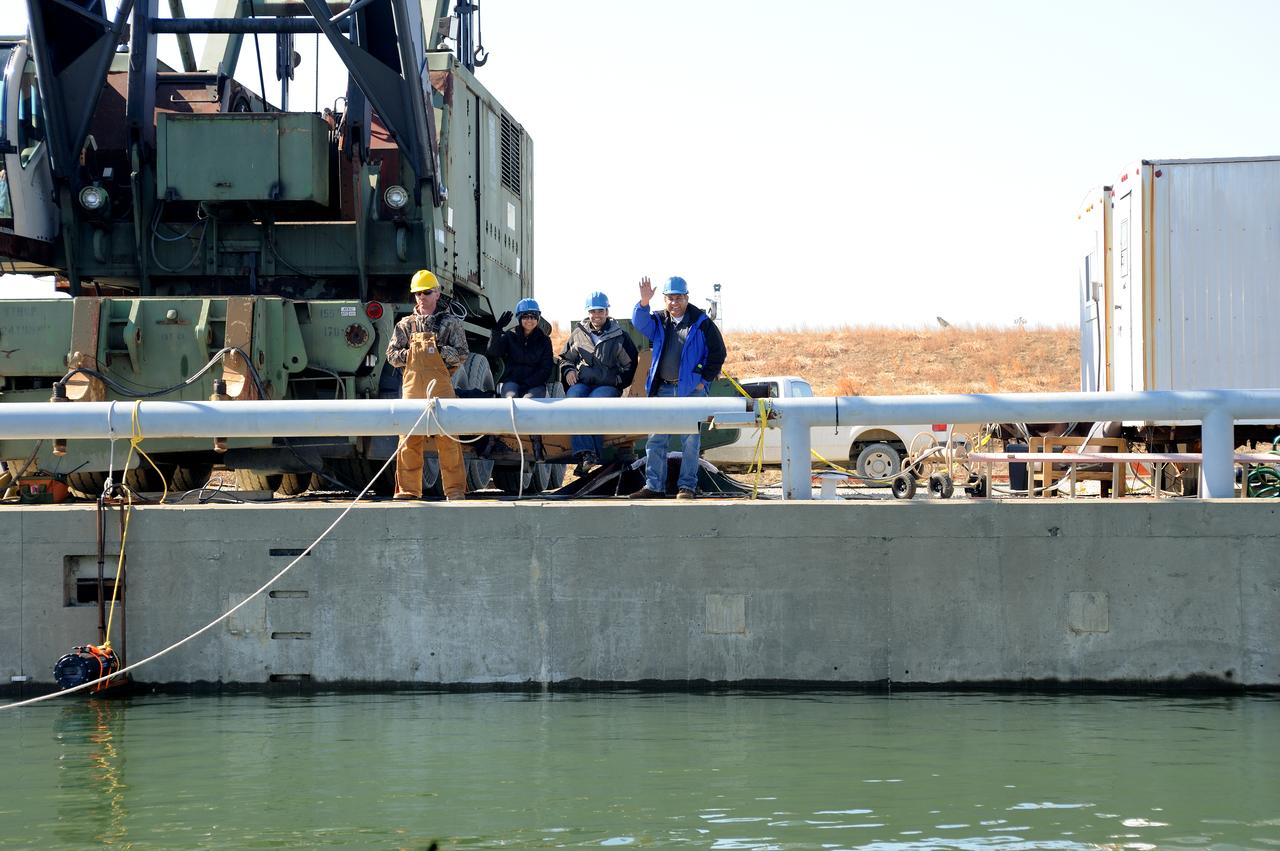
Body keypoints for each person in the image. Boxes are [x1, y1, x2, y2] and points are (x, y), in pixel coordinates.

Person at [629, 275, 726, 499]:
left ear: (686, 298)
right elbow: (639, 322)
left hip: (692, 391)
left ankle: (687, 487)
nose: (674, 302)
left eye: (679, 298)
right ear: (664, 300)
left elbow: (718, 353)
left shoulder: (702, 323)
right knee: (656, 440)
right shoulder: (659, 322)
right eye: (670, 298)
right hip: (662, 389)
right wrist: (644, 302)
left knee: (690, 441)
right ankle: (654, 487)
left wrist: (703, 379)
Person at [385, 269, 469, 501]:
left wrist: (440, 352)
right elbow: (391, 355)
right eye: (418, 293)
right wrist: (412, 354)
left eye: (426, 292)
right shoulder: (404, 325)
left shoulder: (449, 323)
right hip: (412, 389)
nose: (421, 297)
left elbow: (462, 354)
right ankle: (408, 491)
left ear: (437, 295)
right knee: (409, 441)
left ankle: (455, 490)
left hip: (441, 387)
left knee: (449, 441)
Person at [559, 291, 638, 473]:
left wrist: (618, 381)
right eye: (593, 311)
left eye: (600, 311)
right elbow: (566, 358)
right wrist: (569, 370)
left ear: (607, 312)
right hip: (584, 383)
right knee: (573, 399)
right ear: (588, 312)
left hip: (607, 386)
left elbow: (631, 364)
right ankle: (587, 454)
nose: (596, 315)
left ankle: (589, 454)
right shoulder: (579, 334)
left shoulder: (619, 336)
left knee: (594, 402)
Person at [487, 298, 553, 399]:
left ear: (538, 319)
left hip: (535, 384)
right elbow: (493, 352)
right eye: (525, 317)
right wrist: (497, 330)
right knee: (511, 399)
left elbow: (546, 369)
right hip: (512, 382)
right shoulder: (510, 336)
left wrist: (527, 383)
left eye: (533, 317)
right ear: (519, 318)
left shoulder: (544, 341)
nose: (530, 320)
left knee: (529, 401)